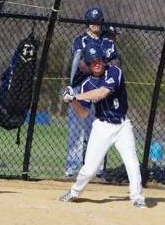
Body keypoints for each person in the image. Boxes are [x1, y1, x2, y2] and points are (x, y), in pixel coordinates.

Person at [59, 44, 146, 208]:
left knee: (132, 162)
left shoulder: (114, 72)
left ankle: (137, 198)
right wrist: (72, 101)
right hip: (102, 127)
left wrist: (75, 95)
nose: (97, 63)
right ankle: (74, 192)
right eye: (92, 61)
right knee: (89, 169)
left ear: (104, 60)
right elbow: (83, 113)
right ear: (89, 65)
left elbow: (103, 92)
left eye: (99, 59)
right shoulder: (87, 84)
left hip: (122, 125)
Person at [64, 7, 119, 177]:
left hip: (100, 89)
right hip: (80, 88)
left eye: (99, 21)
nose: (96, 25)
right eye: (93, 21)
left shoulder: (108, 42)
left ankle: (97, 167)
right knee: (75, 129)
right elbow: (80, 64)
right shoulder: (79, 41)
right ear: (87, 23)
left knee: (97, 130)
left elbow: (114, 63)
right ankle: (72, 166)